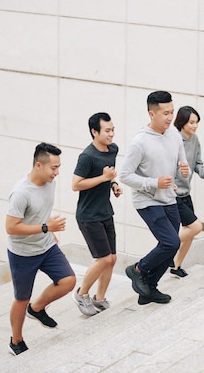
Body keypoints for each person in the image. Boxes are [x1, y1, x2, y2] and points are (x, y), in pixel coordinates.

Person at [5, 142, 76, 356]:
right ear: (38, 165)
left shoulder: (49, 183)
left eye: (58, 167)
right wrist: (46, 227)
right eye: (54, 167)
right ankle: (16, 340)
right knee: (21, 298)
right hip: (22, 253)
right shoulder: (20, 193)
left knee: (68, 281)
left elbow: (41, 210)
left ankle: (36, 309)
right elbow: (11, 227)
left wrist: (48, 231)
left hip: (45, 246)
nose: (57, 172)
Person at [119, 91, 189, 305]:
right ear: (152, 113)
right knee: (171, 241)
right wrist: (153, 183)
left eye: (172, 112)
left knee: (171, 246)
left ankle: (149, 289)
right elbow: (124, 175)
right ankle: (137, 269)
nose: (170, 117)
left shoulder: (175, 135)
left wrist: (183, 171)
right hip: (147, 200)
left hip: (169, 197)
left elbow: (180, 164)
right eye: (165, 113)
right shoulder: (140, 142)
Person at [70, 112, 123, 316]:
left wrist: (114, 184)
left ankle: (99, 299)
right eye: (107, 130)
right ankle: (81, 294)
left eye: (112, 129)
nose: (111, 134)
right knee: (102, 258)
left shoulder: (113, 149)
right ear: (94, 132)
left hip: (105, 212)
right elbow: (76, 185)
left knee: (112, 259)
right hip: (88, 215)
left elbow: (109, 175)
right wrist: (103, 178)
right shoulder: (87, 156)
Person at [170, 106, 204, 278]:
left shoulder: (194, 140)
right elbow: (167, 165)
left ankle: (176, 265)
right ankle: (165, 245)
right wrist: (171, 183)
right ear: (182, 123)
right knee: (196, 227)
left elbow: (198, 164)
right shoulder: (174, 140)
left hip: (186, 194)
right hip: (174, 195)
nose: (195, 126)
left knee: (190, 234)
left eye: (197, 122)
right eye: (192, 122)